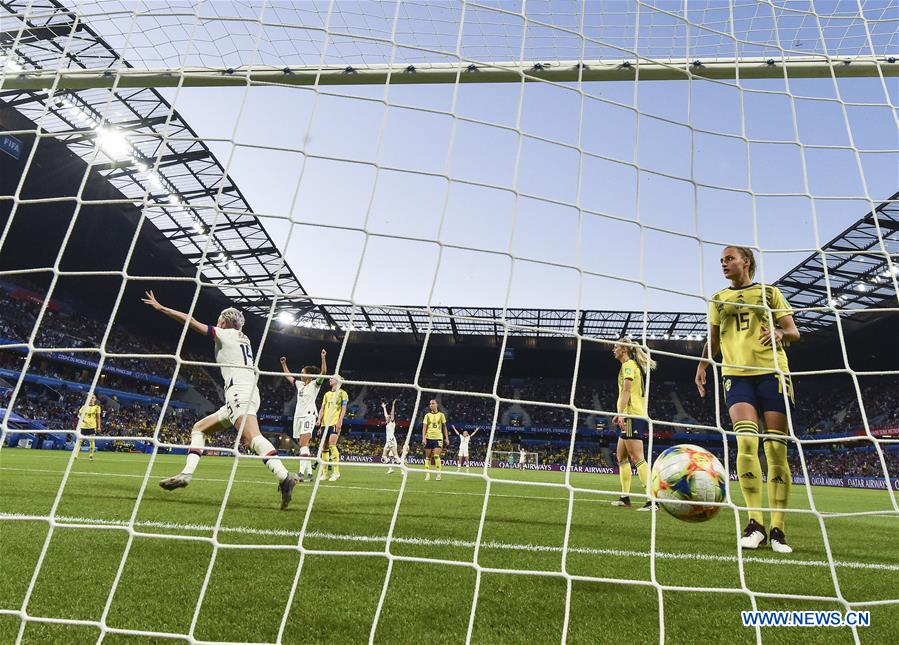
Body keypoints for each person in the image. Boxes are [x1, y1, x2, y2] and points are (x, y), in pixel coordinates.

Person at [141, 291, 297, 509]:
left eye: (218, 321)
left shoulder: (227, 334)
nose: (216, 323)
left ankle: (284, 476)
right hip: (247, 391)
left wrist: (162, 308)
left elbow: (192, 322)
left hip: (239, 393)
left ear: (223, 322)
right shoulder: (245, 339)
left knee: (253, 437)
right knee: (200, 428)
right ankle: (186, 474)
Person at [695, 246, 800, 553]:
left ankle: (779, 528)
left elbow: (793, 331)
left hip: (773, 373)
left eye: (729, 258)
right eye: (721, 260)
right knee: (746, 443)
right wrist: (703, 365)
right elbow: (712, 340)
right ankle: (756, 524)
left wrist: (781, 334)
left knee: (776, 451)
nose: (724, 264)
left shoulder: (770, 293)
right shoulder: (718, 299)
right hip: (736, 375)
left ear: (746, 262)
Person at [611, 337, 658, 511]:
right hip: (630, 415)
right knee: (621, 457)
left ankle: (653, 500)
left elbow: (627, 390)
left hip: (631, 416)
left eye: (615, 346)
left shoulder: (628, 365)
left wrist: (621, 413)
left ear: (624, 349)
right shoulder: (630, 365)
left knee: (637, 458)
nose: (613, 349)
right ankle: (625, 498)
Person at [280, 349, 327, 482]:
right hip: (298, 417)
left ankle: (301, 473)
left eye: (302, 373)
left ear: (309, 375)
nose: (300, 375)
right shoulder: (300, 385)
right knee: (302, 445)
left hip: (308, 416)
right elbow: (289, 377)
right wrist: (284, 364)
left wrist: (323, 358)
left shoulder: (314, 384)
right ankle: (310, 474)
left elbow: (323, 373)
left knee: (303, 443)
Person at [317, 377, 348, 481]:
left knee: (332, 445)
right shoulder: (326, 394)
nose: (330, 379)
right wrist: (319, 420)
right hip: (324, 424)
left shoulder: (343, 393)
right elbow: (322, 408)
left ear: (337, 381)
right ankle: (325, 474)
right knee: (324, 448)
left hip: (334, 423)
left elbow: (344, 409)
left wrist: (340, 421)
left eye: (332, 378)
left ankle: (336, 472)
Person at [421, 399, 449, 481]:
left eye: (433, 403)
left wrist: (446, 438)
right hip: (429, 438)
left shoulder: (441, 415)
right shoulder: (427, 415)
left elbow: (444, 427)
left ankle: (438, 474)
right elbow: (424, 427)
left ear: (437, 405)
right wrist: (423, 438)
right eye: (430, 404)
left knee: (436, 456)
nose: (431, 405)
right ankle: (427, 475)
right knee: (427, 458)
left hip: (438, 438)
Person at [73, 393, 101, 461]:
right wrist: (82, 419)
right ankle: (76, 455)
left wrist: (99, 427)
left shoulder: (97, 407)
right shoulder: (84, 407)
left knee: (92, 441)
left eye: (93, 398)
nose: (91, 399)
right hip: (84, 426)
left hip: (92, 426)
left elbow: (98, 418)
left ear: (95, 399)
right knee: (80, 440)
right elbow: (78, 415)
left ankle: (91, 455)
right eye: (90, 398)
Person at [381, 399, 401, 474]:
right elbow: (386, 414)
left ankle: (403, 469)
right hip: (388, 441)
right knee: (384, 456)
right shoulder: (387, 423)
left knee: (396, 456)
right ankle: (390, 468)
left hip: (391, 440)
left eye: (388, 417)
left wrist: (393, 405)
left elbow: (392, 414)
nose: (386, 417)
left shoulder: (392, 423)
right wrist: (384, 407)